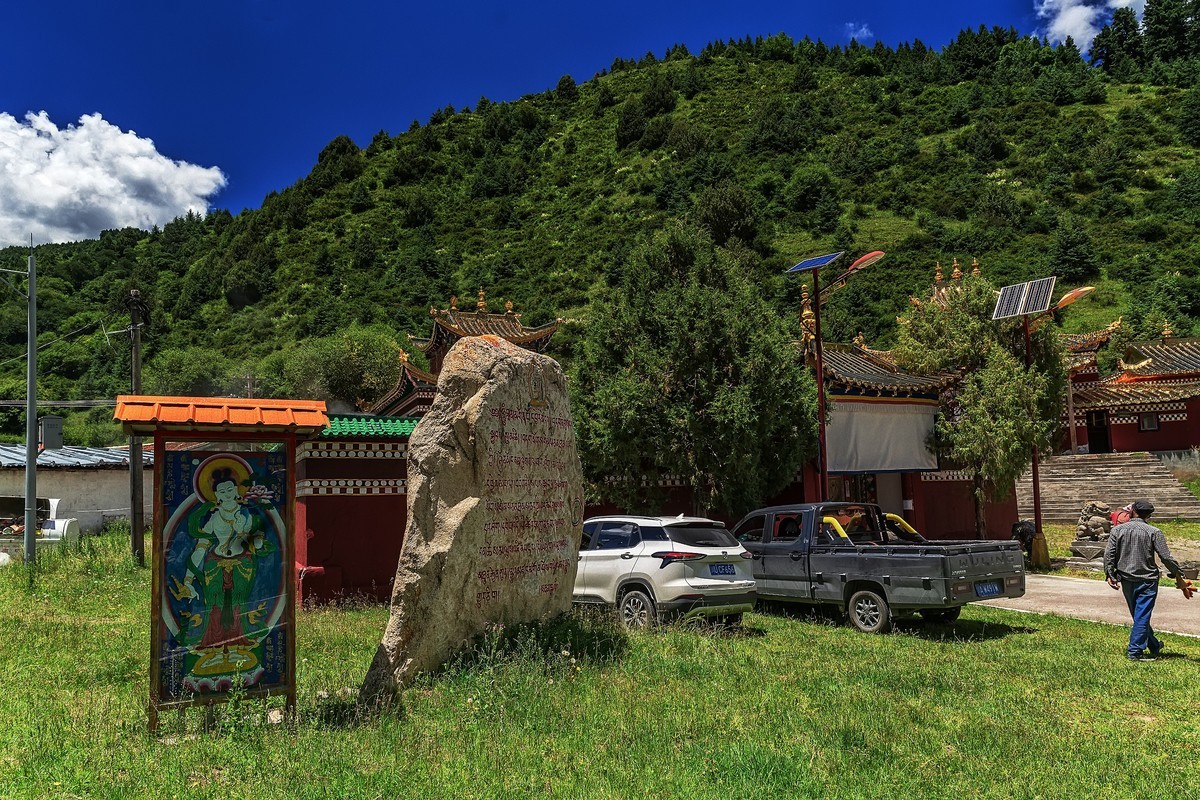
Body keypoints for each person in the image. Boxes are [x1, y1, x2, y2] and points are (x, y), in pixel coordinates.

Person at [1103, 499, 1184, 662]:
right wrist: (1177, 572)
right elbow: (1166, 556)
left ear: (1132, 511)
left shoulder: (1118, 531)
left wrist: (1109, 574)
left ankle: (1153, 645)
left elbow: (1109, 554)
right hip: (1147, 580)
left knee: (1139, 615)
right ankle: (1135, 652)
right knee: (1142, 615)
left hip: (1126, 578)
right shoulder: (1154, 532)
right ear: (1150, 515)